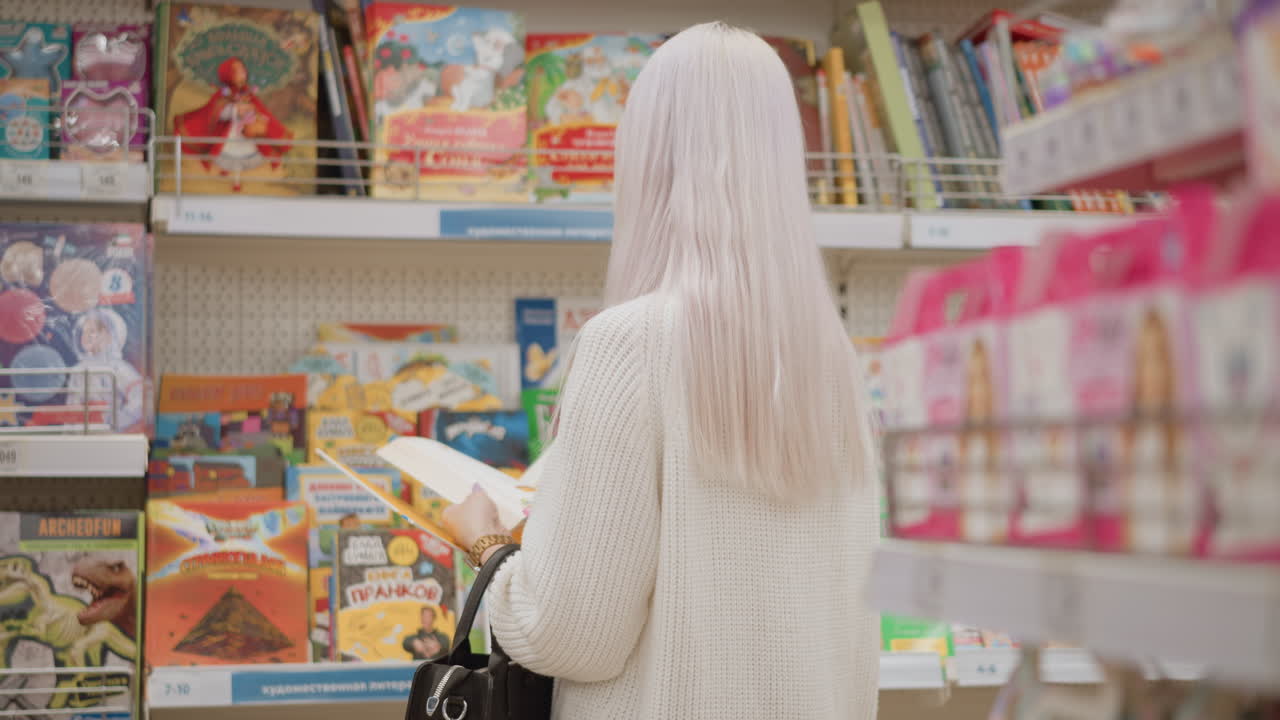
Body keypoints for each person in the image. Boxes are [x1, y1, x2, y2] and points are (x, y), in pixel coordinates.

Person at [442, 22, 880, 720]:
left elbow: (569, 635)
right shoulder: (834, 362)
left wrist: (485, 543)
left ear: (646, 157)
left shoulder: (631, 341)